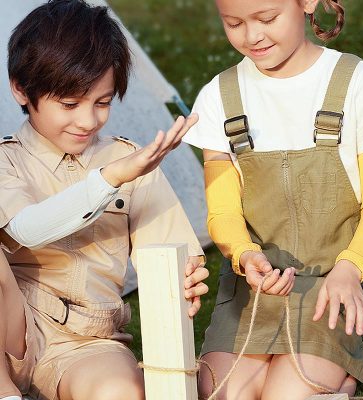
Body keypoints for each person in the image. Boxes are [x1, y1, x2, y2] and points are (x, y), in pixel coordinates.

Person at [183, 0, 363, 399]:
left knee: (286, 394)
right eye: (234, 23)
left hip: (339, 283)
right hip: (255, 290)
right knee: (220, 393)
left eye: (267, 19)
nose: (252, 36)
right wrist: (245, 255)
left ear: (306, 3)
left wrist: (350, 269)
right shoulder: (219, 96)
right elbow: (224, 212)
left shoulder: (358, 82)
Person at [0, 1, 209, 399]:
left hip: (87, 341)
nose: (88, 120)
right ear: (21, 89)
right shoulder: (5, 162)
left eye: (102, 102)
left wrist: (187, 275)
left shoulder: (129, 161)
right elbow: (27, 228)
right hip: (13, 336)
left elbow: (171, 255)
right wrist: (110, 179)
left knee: (121, 392)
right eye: (69, 104)